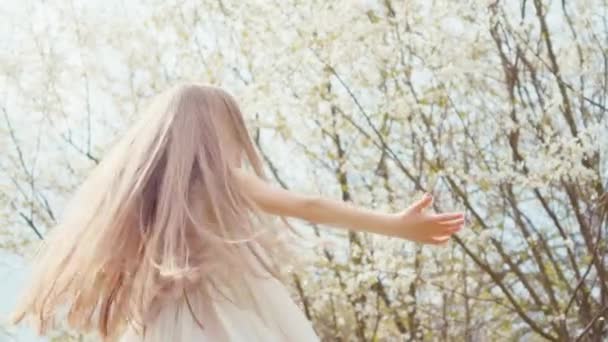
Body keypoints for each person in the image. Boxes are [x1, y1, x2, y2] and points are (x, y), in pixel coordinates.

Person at [10, 82, 465, 341]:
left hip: (168, 319)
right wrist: (397, 225)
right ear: (218, 131)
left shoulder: (146, 196)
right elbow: (308, 205)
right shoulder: (223, 177)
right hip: (229, 308)